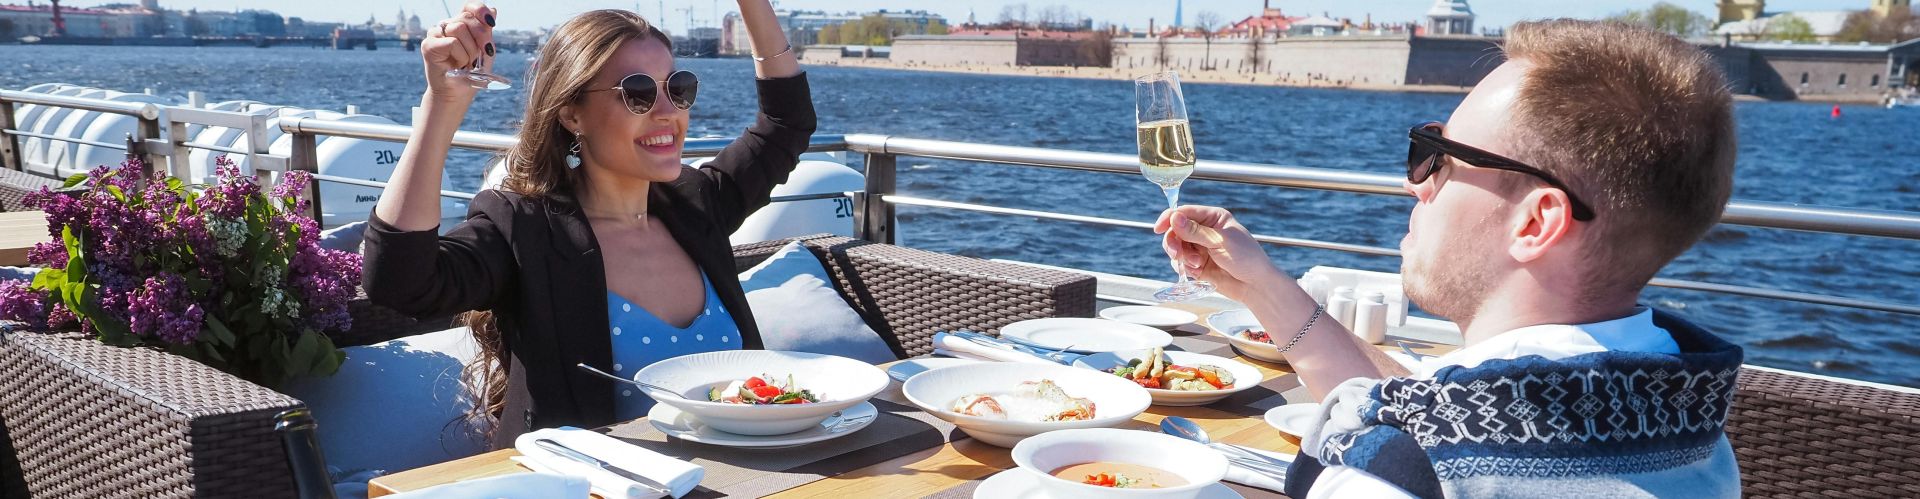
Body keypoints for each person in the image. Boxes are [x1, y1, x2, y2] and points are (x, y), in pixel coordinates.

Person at [1157, 20, 1742, 498]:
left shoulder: (1393, 477)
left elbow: (1420, 442)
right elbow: (1435, 411)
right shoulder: (1691, 426)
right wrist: (1261, 286)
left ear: (1537, 221)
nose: (1416, 184)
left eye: (1438, 157)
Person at [361, 1, 815, 448]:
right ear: (571, 113)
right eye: (637, 91)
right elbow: (400, 280)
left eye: (678, 88)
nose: (666, 111)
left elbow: (785, 124)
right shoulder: (526, 231)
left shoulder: (696, 205)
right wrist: (441, 104)